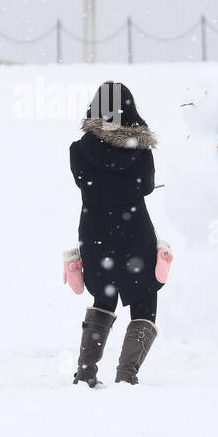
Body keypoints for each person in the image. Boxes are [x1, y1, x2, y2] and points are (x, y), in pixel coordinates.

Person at [69, 81, 163, 386]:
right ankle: (127, 375)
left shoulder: (79, 149)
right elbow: (146, 186)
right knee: (144, 298)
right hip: (134, 229)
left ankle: (85, 372)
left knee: (103, 296)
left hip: (95, 230)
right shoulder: (141, 150)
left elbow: (85, 185)